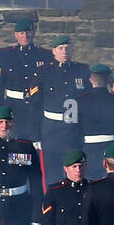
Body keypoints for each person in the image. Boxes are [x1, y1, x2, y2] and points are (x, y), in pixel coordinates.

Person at [37, 35, 90, 180]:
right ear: (53, 51)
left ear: (72, 50)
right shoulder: (44, 73)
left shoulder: (82, 70)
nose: (64, 51)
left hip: (73, 131)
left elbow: (88, 101)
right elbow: (35, 105)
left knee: (75, 172)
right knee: (52, 174)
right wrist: (36, 134)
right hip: (51, 131)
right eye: (60, 48)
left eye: (67, 48)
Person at [0, 16, 50, 147]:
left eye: (28, 32)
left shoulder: (45, 55)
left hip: (36, 107)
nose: (25, 36)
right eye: (21, 33)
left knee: (35, 146)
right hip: (13, 107)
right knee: (12, 144)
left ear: (34, 33)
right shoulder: (6, 55)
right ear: (15, 35)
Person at [76, 64, 114, 152]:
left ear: (90, 80)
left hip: (88, 150)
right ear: (109, 81)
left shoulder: (79, 102)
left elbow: (73, 131)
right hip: (113, 149)